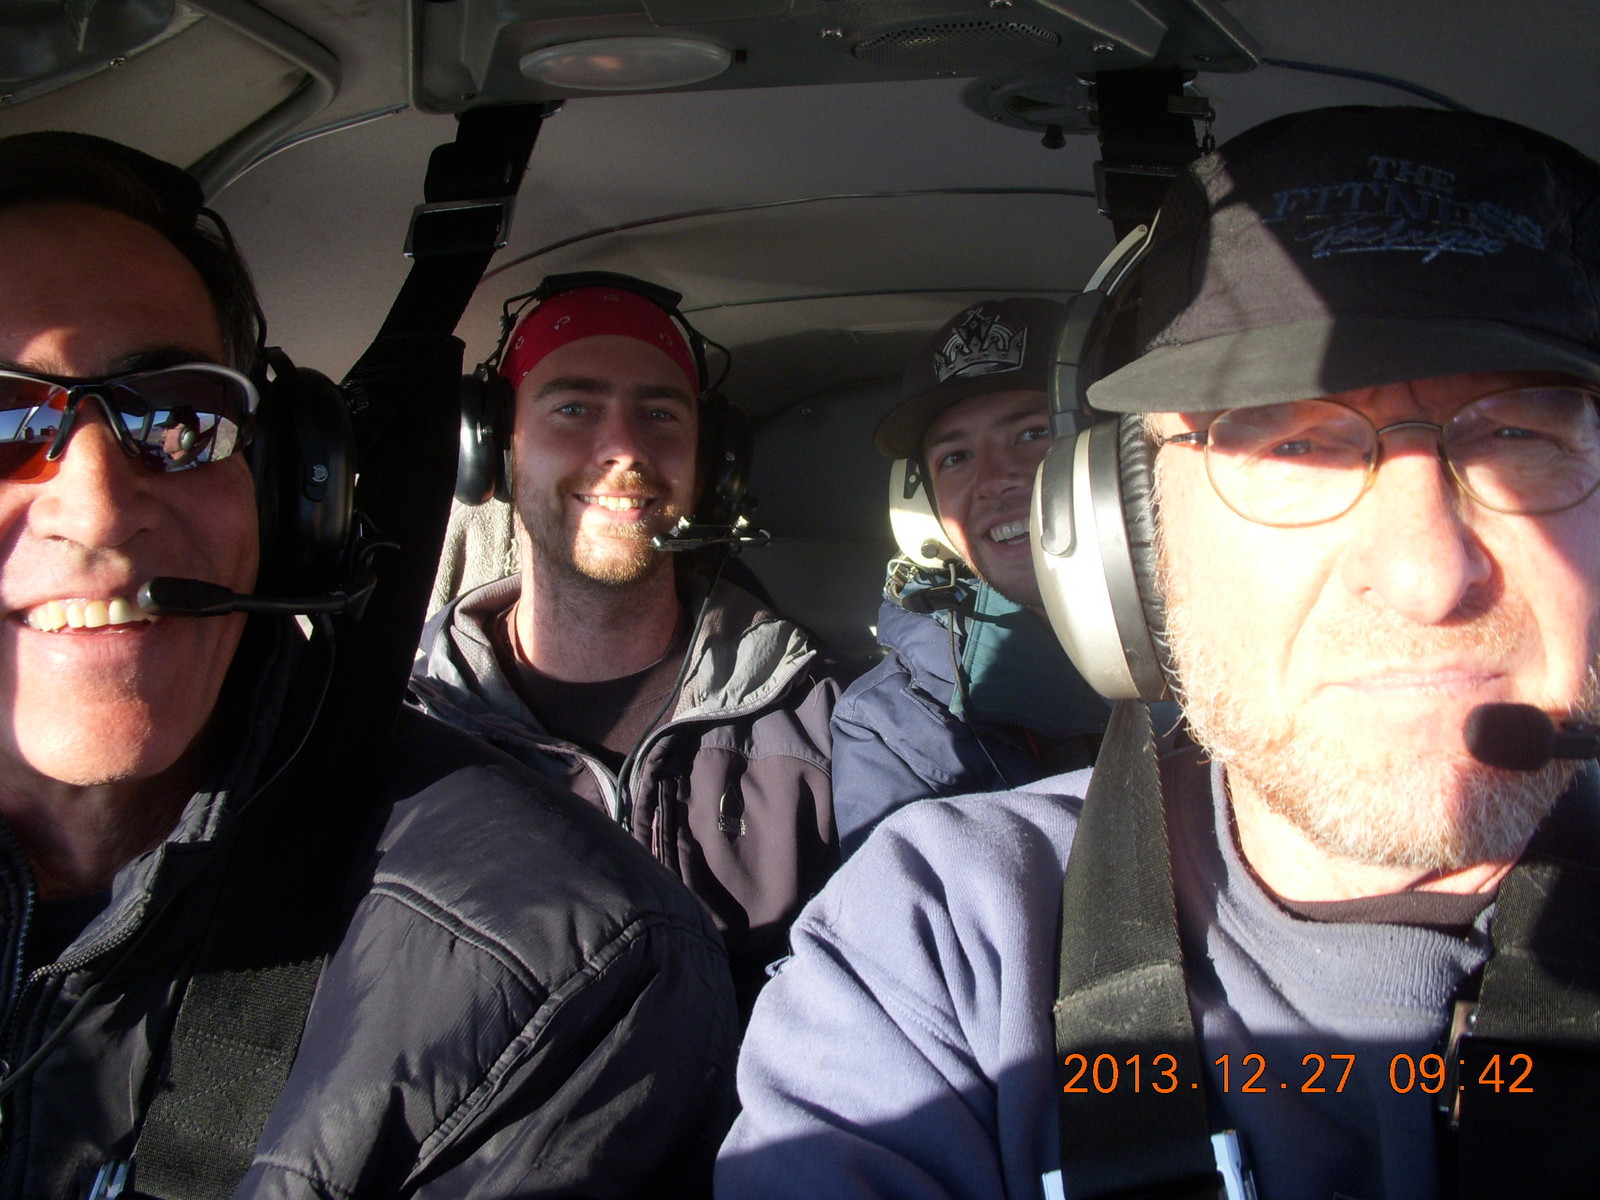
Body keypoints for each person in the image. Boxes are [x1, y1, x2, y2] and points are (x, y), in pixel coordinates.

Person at [719, 105, 1600, 1200]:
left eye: (1519, 434)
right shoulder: (939, 934)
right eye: (1293, 443)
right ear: (1129, 533)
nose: (1428, 574)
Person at [0, 131, 737, 1198]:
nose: (99, 507)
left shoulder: (575, 962)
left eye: (179, 417)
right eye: (4, 419)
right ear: (492, 452)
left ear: (285, 483)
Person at [411, 274, 841, 1017]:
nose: (624, 449)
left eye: (659, 414)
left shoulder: (822, 722)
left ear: (713, 464)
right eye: (574, 409)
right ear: (493, 448)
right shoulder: (406, 729)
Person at [831, 298, 1109, 853]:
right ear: (926, 505)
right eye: (955, 457)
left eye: (1033, 433)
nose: (994, 480)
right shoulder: (895, 725)